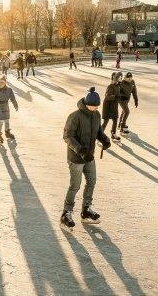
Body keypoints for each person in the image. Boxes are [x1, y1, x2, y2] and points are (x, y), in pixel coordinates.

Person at [60, 87, 111, 231]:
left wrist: (105, 139)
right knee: (75, 185)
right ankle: (66, 213)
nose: (95, 108)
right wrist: (81, 151)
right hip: (76, 158)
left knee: (92, 182)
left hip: (89, 156)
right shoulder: (75, 116)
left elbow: (98, 131)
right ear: (86, 103)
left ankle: (86, 209)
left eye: (96, 106)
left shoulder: (96, 115)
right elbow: (68, 136)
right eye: (93, 105)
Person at [0, 76, 19, 144]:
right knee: (1, 122)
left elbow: (12, 98)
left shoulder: (9, 90)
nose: (0, 84)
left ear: (5, 83)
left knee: (7, 120)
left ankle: (7, 133)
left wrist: (16, 105)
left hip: (5, 106)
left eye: (2, 82)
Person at [101, 72, 122, 142]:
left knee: (115, 119)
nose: (120, 79)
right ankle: (100, 136)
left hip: (114, 105)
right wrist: (116, 97)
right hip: (108, 106)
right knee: (106, 121)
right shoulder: (110, 86)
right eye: (119, 78)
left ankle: (113, 133)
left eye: (121, 77)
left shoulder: (118, 85)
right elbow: (107, 96)